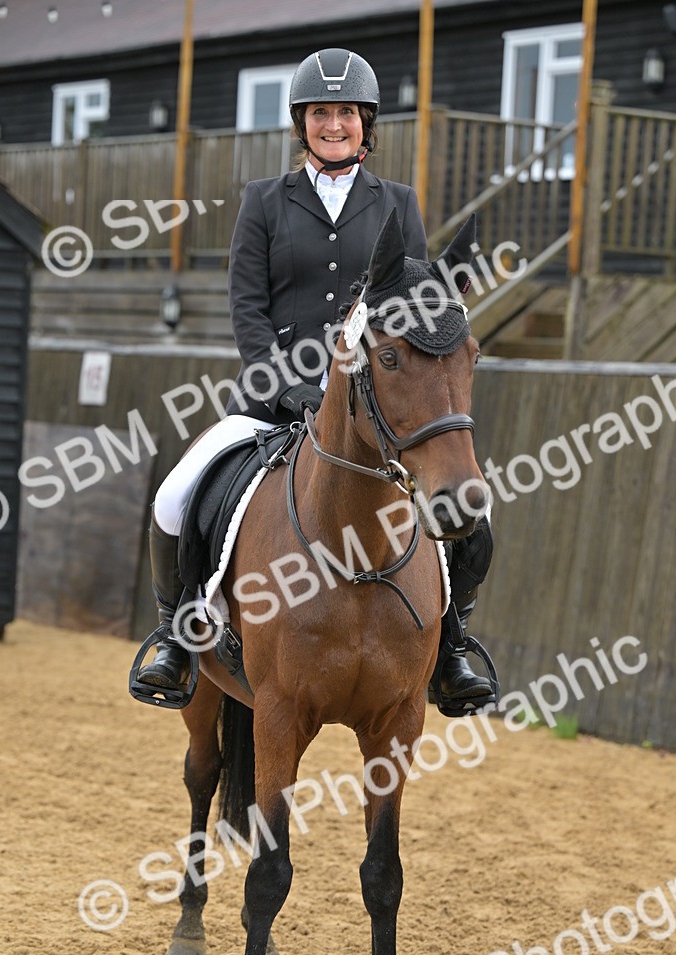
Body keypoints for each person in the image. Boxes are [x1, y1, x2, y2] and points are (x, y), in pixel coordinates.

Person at [135, 47, 493, 712]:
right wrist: (283, 385)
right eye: (322, 113)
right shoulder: (265, 202)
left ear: (366, 123)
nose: (335, 124)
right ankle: (174, 639)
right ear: (303, 124)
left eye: (348, 113)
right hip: (272, 401)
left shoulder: (399, 203)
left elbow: (415, 308)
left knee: (474, 508)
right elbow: (247, 307)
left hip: (373, 412)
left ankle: (452, 648)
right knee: (176, 495)